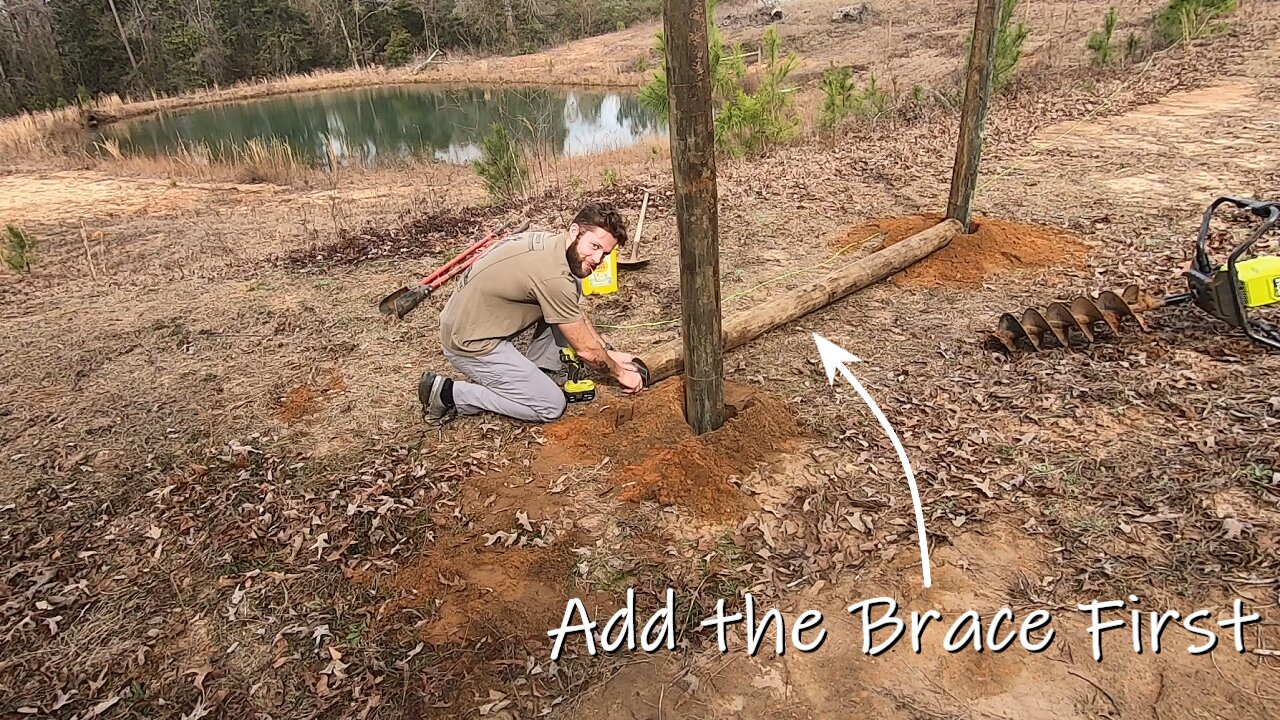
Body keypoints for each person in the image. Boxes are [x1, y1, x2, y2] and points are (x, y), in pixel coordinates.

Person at [418, 202, 645, 424]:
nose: (598, 260)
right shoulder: (553, 276)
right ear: (575, 230)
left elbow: (572, 315)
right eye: (595, 247)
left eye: (605, 254)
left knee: (573, 285)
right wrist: (622, 374)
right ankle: (448, 394)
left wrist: (608, 353)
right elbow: (586, 350)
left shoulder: (554, 247)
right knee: (550, 405)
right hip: (469, 343)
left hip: (470, 319)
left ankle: (537, 373)